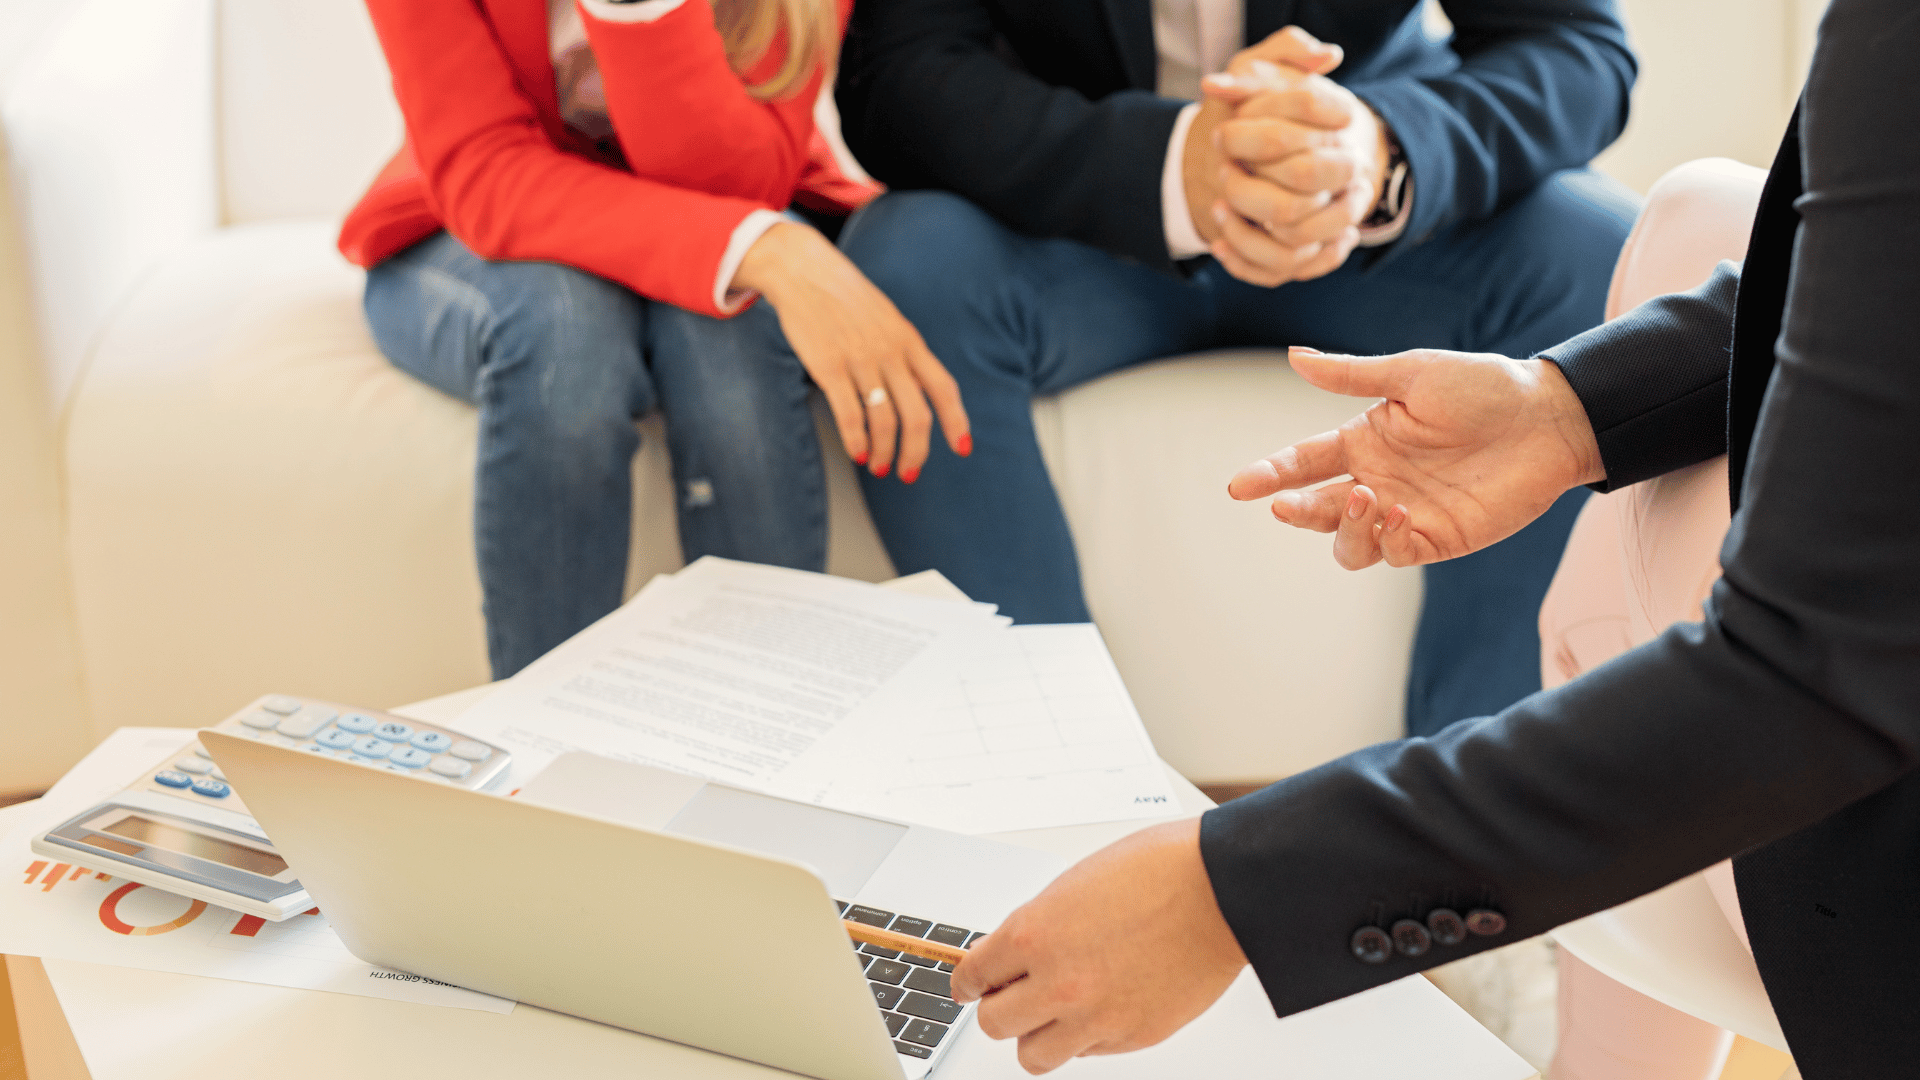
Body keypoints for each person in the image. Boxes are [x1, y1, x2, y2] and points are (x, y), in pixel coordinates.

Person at [942, 2, 1920, 1077]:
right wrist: (1564, 409)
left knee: (1634, 276)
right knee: (1699, 218)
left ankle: (1530, 974)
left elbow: (1813, 672)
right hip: (1088, 227)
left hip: (1871, 921)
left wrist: (1233, 895)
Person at [833, 0, 1641, 736]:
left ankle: (1479, 798)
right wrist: (1168, 163)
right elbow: (895, 77)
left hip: (1364, 222)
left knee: (1596, 252)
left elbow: (1578, 48)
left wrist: (1382, 146)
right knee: (908, 265)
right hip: (1078, 215)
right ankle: (1048, 764)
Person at [339, 0, 968, 678]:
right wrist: (763, 249)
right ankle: (540, 731)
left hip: (721, 200)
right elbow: (486, 174)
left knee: (728, 331)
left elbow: (738, 187)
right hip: (471, 221)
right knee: (568, 338)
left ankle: (764, 712)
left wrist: (640, 9)